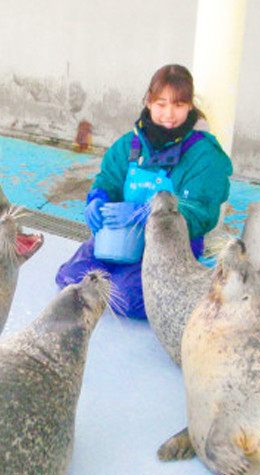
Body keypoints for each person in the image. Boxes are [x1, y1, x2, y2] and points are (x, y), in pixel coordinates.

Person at [55, 64, 233, 319]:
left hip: (169, 247)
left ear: (190, 106)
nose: (169, 114)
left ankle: (126, 280)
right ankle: (115, 273)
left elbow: (202, 212)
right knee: (71, 278)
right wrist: (97, 199)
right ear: (148, 102)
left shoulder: (204, 155)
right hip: (122, 237)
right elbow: (108, 180)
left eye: (179, 105)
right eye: (161, 104)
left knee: (127, 298)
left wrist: (152, 215)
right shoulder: (130, 144)